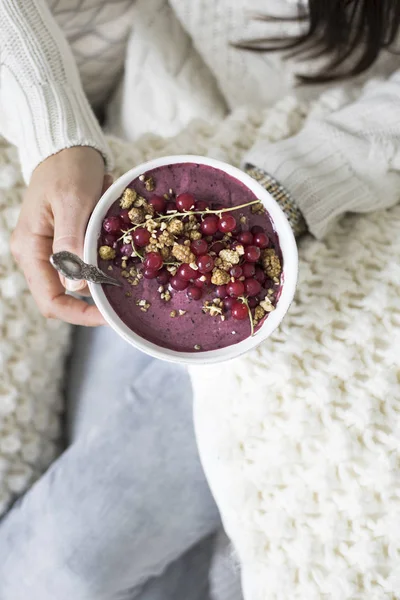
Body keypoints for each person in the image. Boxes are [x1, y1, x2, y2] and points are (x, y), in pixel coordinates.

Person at [0, 1, 400, 599]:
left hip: (350, 188)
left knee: (64, 567)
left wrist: (294, 186)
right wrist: (55, 137)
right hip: (148, 164)